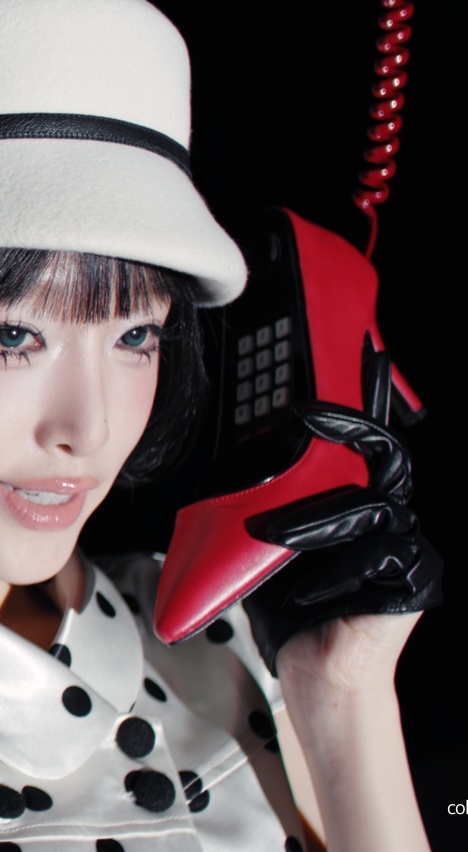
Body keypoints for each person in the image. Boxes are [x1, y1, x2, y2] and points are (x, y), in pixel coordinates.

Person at [0, 1, 442, 850]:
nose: (88, 428)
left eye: (136, 336)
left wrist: (344, 699)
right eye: (15, 335)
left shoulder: (229, 644)